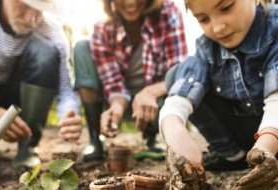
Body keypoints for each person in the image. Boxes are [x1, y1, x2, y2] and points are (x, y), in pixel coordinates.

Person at [159, 0, 278, 189]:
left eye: (226, 8)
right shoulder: (207, 47)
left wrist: (265, 148)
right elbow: (179, 98)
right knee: (176, 75)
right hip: (245, 131)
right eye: (203, 19)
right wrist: (176, 134)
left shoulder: (274, 27)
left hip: (273, 131)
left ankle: (264, 158)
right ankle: (232, 155)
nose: (218, 27)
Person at [0, 0, 82, 168]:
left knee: (44, 52)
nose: (32, 19)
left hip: (16, 96)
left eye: (40, 10)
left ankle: (27, 148)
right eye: (24, 6)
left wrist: (69, 113)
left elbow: (65, 91)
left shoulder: (51, 31)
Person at [73, 0, 187, 161]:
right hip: (120, 102)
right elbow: (113, 84)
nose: (131, 2)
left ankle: (151, 136)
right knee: (82, 47)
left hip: (156, 101)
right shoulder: (102, 28)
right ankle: (95, 138)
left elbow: (178, 74)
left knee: (179, 94)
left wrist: (150, 92)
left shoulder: (168, 13)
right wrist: (117, 106)